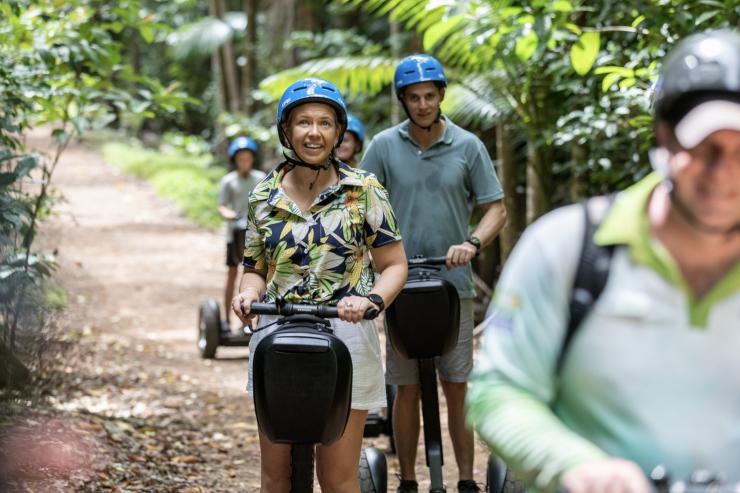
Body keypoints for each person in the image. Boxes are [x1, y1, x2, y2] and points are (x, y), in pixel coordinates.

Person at [467, 29, 740, 493]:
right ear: (665, 139)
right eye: (705, 148)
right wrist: (575, 465)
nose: (724, 173)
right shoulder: (568, 247)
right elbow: (499, 392)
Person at [231, 77, 408, 493]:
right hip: (277, 334)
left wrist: (371, 300)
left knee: (338, 477)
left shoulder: (365, 191)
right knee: (276, 476)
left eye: (325, 123)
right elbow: (254, 267)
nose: (314, 133)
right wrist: (249, 293)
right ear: (286, 130)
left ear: (338, 131)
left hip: (348, 332)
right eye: (304, 122)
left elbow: (394, 265)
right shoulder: (263, 196)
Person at [361, 54, 507, 493]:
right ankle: (407, 480)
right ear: (403, 100)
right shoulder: (383, 146)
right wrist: (371, 252)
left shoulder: (468, 146)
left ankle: (466, 481)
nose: (423, 104)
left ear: (441, 95)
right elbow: (357, 206)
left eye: (429, 96)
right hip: (399, 286)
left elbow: (496, 209)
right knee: (405, 388)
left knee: (456, 385)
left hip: (452, 286)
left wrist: (472, 243)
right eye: (414, 97)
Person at [217, 136, 265, 332]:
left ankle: (249, 322)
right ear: (235, 160)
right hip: (235, 233)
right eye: (240, 159)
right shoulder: (229, 181)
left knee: (254, 274)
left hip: (255, 234)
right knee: (232, 273)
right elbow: (222, 206)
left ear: (252, 159)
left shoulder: (261, 178)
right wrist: (231, 215)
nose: (244, 162)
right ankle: (226, 320)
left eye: (247, 158)